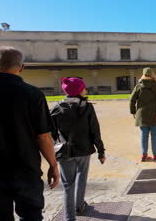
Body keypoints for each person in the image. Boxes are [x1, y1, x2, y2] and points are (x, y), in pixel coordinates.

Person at [0, 46, 60, 220]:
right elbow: (44, 136)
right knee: (31, 216)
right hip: (25, 169)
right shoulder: (33, 94)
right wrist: (53, 164)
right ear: (22, 67)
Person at [50, 77, 106, 220]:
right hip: (83, 149)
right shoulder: (86, 107)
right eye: (84, 88)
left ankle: (69, 217)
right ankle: (79, 206)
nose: (85, 90)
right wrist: (101, 151)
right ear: (78, 91)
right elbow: (95, 131)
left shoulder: (56, 108)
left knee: (68, 185)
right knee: (82, 176)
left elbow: (51, 134)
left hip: (64, 151)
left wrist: (54, 150)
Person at [130, 67, 156, 162]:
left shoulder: (138, 86)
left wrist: (133, 111)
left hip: (142, 115)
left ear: (143, 75)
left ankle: (144, 155)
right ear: (152, 75)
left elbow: (132, 100)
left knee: (143, 135)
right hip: (155, 114)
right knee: (154, 135)